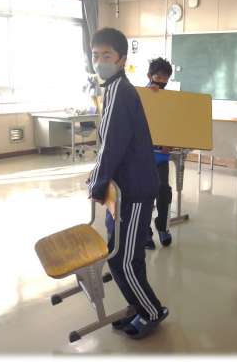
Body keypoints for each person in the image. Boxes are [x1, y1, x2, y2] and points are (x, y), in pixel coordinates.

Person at [87, 28, 168, 338]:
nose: (100, 61)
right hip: (123, 189)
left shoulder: (120, 91)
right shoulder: (113, 88)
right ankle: (137, 306)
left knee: (123, 259)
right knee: (123, 254)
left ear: (121, 59)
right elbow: (109, 145)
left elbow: (112, 146)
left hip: (134, 191)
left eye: (106, 55)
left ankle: (152, 311)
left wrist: (97, 184)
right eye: (95, 55)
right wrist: (99, 177)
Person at [144, 57, 174, 249]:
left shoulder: (169, 99)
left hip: (162, 157)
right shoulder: (140, 96)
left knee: (164, 191)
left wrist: (170, 142)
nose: (162, 81)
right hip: (143, 157)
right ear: (150, 76)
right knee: (145, 193)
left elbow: (173, 123)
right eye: (158, 77)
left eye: (165, 78)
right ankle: (144, 231)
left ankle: (162, 227)